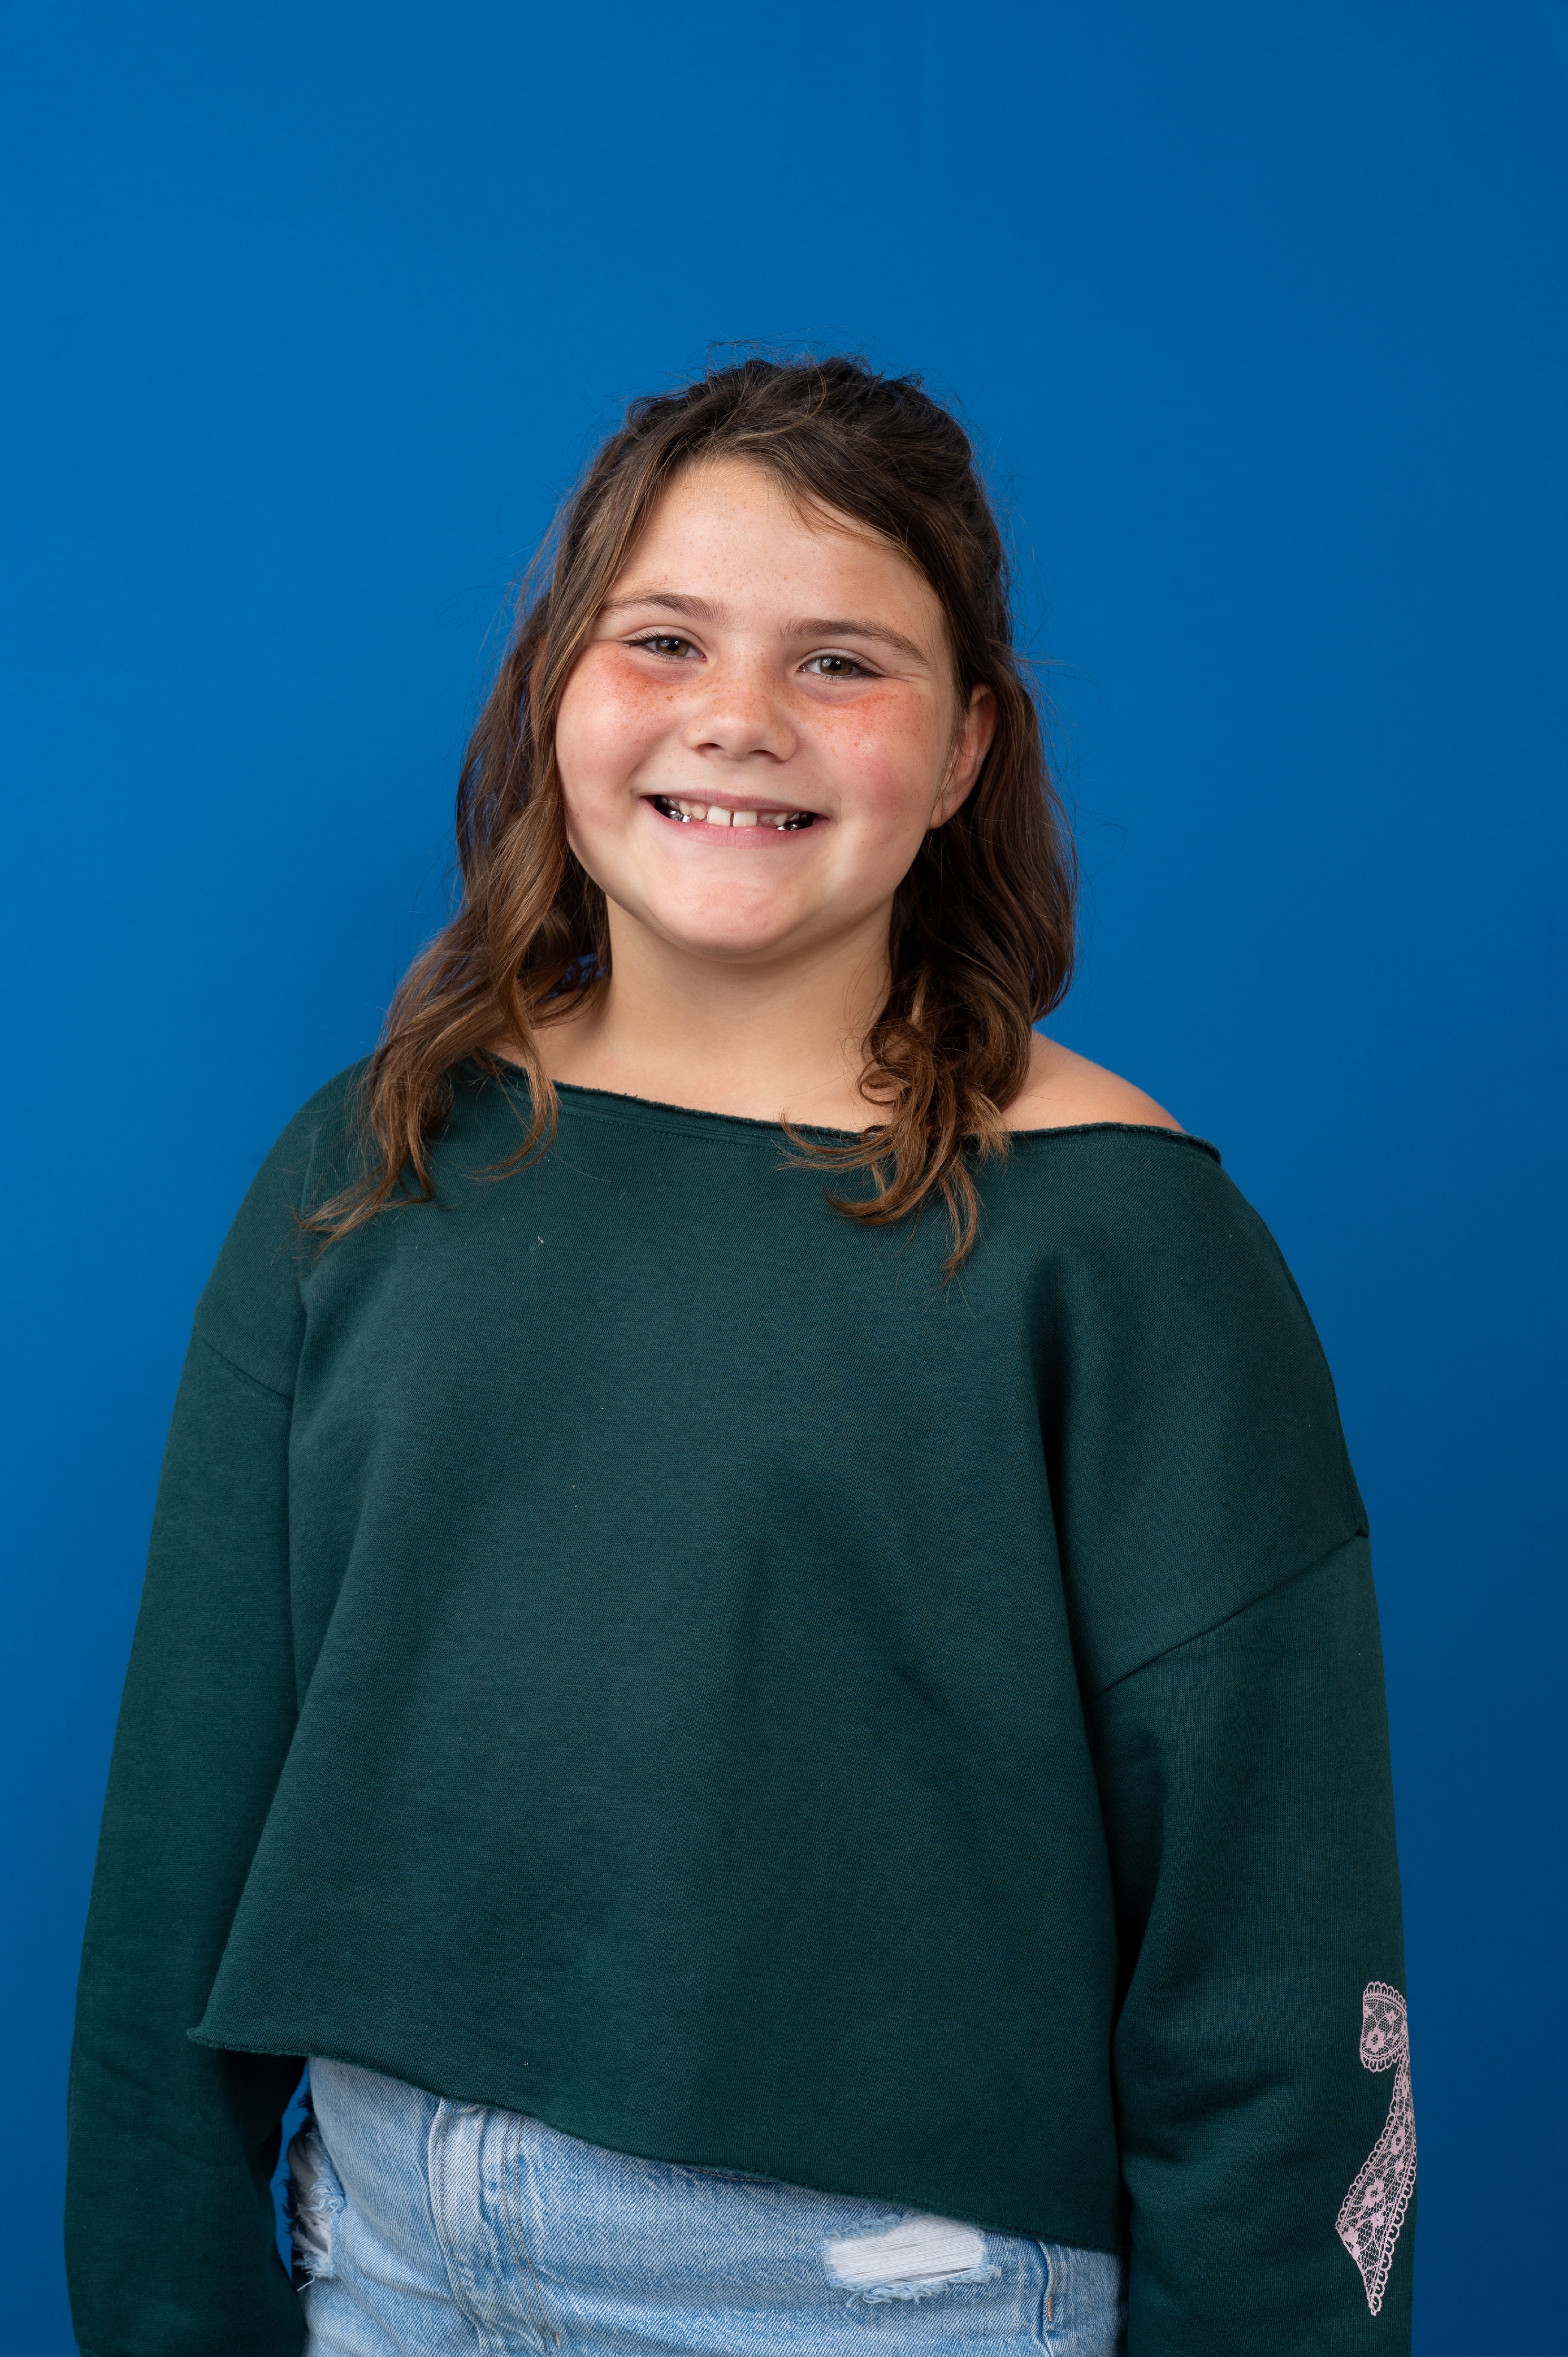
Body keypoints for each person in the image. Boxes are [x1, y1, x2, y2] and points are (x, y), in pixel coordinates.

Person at [66, 357, 1413, 2356]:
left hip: (881, 2305)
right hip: (388, 2265)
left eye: (841, 663)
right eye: (665, 639)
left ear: (963, 749)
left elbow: (1274, 1963)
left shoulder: (1119, 1246)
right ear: (558, 690)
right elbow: (186, 1821)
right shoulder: (371, 1164)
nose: (738, 717)